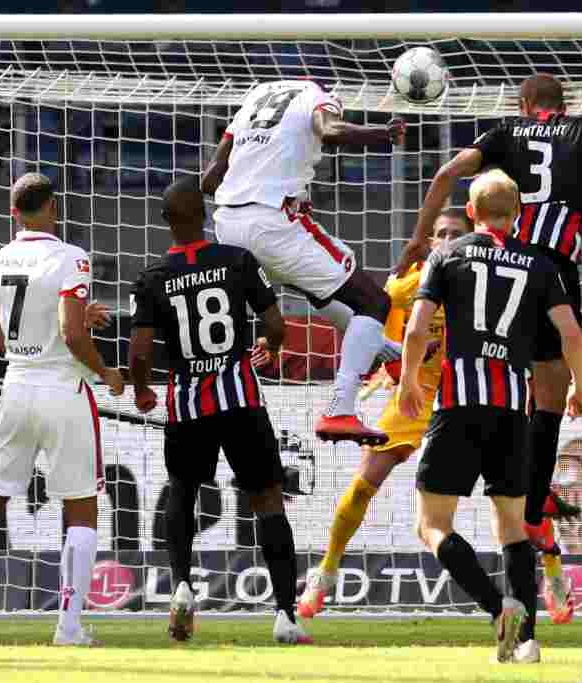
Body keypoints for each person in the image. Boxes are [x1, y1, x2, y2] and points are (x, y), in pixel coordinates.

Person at [395, 73, 582, 621]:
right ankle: (534, 498)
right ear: (564, 104)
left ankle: (516, 551)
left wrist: (420, 237)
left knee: (482, 359)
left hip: (488, 274)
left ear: (522, 104)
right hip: (549, 273)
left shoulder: (503, 132)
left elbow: (448, 172)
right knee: (549, 398)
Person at [398, 169, 582, 663]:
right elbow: (570, 333)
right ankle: (527, 642)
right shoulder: (539, 265)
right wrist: (581, 387)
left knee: (432, 525)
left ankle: (494, 606)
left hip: (459, 406)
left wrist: (407, 382)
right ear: (519, 215)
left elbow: (418, 328)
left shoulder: (446, 255)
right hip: (510, 409)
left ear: (470, 213)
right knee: (512, 525)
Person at [0, 173, 124, 646]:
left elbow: (1, 333)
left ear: (13, 211)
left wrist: (69, 326)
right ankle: (69, 627)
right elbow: (73, 335)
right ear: (54, 206)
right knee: (81, 507)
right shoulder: (70, 258)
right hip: (62, 388)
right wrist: (107, 372)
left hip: (16, 385)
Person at [128, 177, 309, 645]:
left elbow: (141, 351)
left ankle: (183, 587)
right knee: (268, 498)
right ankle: (286, 616)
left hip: (187, 402)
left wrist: (145, 391)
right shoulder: (236, 260)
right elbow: (274, 324)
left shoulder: (152, 277)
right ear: (205, 215)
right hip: (240, 398)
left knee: (182, 491)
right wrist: (268, 345)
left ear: (166, 221)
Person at [201, 79, 406, 446]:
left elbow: (209, 179)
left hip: (227, 225)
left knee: (322, 290)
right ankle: (341, 409)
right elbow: (329, 129)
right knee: (373, 302)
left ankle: (392, 356)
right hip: (274, 221)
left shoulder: (255, 98)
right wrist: (380, 133)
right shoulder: (317, 96)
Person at [297, 208, 471, 616]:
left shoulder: (480, 284)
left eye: (455, 234)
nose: (446, 240)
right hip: (413, 398)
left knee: (516, 483)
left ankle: (551, 572)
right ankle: (325, 574)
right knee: (363, 485)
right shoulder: (403, 289)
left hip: (464, 398)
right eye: (440, 233)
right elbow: (379, 343)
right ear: (428, 243)